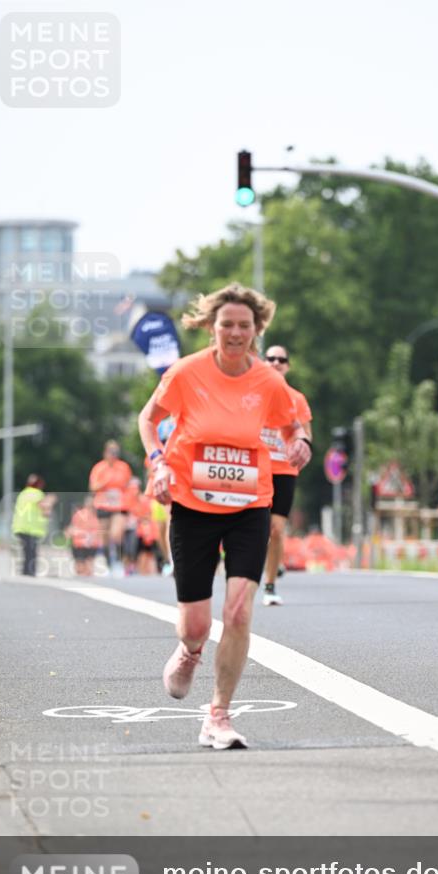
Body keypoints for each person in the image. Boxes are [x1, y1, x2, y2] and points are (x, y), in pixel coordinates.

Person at [138, 283, 311, 750]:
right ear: (212, 328)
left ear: (256, 331)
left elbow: (291, 424)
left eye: (244, 326)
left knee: (237, 611)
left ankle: (218, 715)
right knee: (196, 623)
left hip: (250, 504)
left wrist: (302, 444)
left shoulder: (268, 382)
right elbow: (148, 419)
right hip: (193, 506)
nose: (235, 333)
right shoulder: (186, 373)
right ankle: (191, 650)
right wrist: (157, 464)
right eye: (227, 325)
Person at [260, 345, 313, 605]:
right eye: (270, 358)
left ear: (287, 366)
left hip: (283, 470)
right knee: (255, 528)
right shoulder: (253, 394)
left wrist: (301, 448)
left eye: (281, 359)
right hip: (255, 469)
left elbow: (306, 436)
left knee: (277, 529)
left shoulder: (297, 399)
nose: (276, 362)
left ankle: (269, 586)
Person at [88, 440, 132, 576]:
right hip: (103, 505)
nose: (113, 455)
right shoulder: (98, 468)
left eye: (116, 452)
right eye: (111, 452)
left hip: (119, 505)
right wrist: (104, 483)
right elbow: (92, 488)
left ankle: (119, 562)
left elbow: (128, 485)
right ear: (105, 453)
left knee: (116, 534)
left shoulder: (124, 467)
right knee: (105, 537)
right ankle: (109, 564)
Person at [11, 474, 57, 576]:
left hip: (20, 527)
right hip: (30, 528)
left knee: (26, 551)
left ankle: (25, 572)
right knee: (31, 552)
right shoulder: (37, 493)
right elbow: (44, 508)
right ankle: (29, 573)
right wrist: (50, 501)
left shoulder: (23, 493)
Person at [66, 495, 102, 576]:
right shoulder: (80, 514)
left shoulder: (97, 515)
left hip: (92, 544)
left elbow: (100, 529)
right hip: (80, 543)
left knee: (89, 565)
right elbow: (73, 527)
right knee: (80, 567)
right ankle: (81, 575)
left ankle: (88, 578)